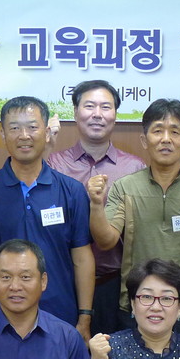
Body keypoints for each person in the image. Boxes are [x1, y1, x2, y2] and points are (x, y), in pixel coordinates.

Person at [0, 96, 95, 340]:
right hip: (1, 317)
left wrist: (85, 317)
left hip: (60, 315)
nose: (24, 135)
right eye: (15, 128)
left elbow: (82, 257)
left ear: (47, 133)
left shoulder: (71, 190)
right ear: (3, 134)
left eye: (32, 127)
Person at [88, 98, 180, 342]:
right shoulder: (125, 187)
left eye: (175, 132)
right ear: (144, 140)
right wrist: (96, 205)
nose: (166, 139)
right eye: (158, 131)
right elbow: (106, 240)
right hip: (137, 303)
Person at [46, 80, 146, 336]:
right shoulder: (54, 164)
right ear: (75, 112)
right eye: (89, 106)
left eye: (106, 107)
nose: (97, 114)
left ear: (116, 115)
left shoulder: (135, 168)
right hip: (63, 283)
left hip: (114, 286)